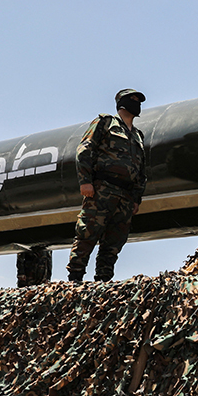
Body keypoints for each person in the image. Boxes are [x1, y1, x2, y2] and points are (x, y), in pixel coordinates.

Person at [67, 88, 148, 283]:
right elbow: (84, 150)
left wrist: (136, 198)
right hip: (103, 188)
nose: (137, 103)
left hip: (126, 195)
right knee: (88, 233)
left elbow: (141, 170)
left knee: (114, 242)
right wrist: (86, 181)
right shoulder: (105, 122)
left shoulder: (138, 135)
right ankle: (75, 279)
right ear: (122, 103)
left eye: (138, 100)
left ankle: (103, 281)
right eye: (132, 99)